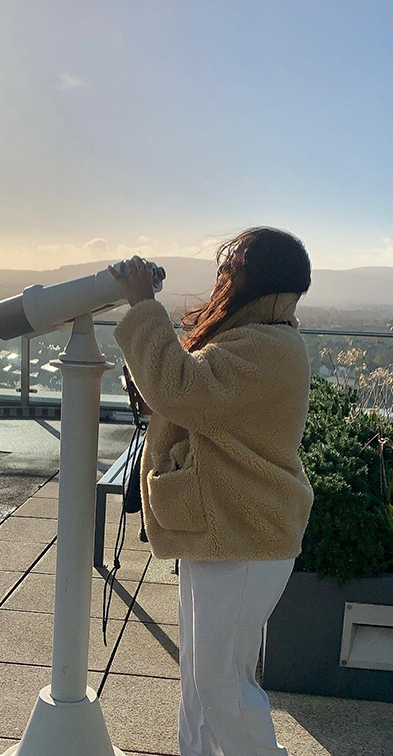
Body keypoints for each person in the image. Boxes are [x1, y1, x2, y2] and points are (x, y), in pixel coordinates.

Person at [108, 226, 313, 756]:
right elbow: (192, 398)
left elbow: (180, 385)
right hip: (225, 528)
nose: (224, 275)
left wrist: (141, 306)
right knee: (202, 680)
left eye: (234, 265)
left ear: (260, 277)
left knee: (223, 684)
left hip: (245, 535)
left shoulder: (267, 347)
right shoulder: (254, 339)